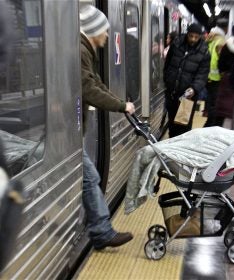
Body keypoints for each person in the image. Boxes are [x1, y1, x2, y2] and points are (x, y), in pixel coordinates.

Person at [79, 5, 135, 249]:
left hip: (69, 131)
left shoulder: (84, 51)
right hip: (66, 132)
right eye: (103, 32)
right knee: (90, 178)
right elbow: (87, 89)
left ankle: (101, 231)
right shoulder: (81, 50)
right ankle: (102, 233)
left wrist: (119, 102)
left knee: (88, 178)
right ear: (93, 30)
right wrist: (121, 106)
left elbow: (96, 83)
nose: (105, 39)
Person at [163, 23, 210, 138]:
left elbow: (202, 75)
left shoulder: (204, 52)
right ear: (187, 34)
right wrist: (167, 80)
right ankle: (172, 150)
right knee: (172, 125)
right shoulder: (176, 44)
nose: (193, 39)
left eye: (196, 37)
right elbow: (168, 64)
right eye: (191, 36)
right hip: (172, 94)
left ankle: (181, 152)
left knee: (183, 127)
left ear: (200, 37)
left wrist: (194, 88)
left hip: (188, 97)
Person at [203, 18, 228, 127]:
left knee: (209, 103)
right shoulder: (221, 41)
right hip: (216, 77)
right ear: (226, 28)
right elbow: (221, 60)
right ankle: (210, 127)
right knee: (215, 104)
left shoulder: (210, 37)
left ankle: (208, 124)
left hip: (207, 75)